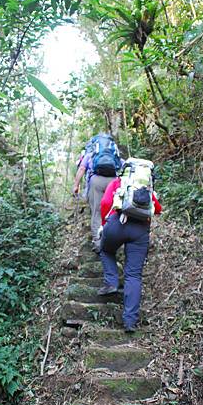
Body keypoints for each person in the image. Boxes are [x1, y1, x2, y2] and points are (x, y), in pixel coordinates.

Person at [98, 174, 162, 332]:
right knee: (133, 275)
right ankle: (130, 322)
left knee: (106, 250)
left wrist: (104, 224)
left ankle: (111, 282)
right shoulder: (148, 188)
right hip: (140, 231)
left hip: (118, 222)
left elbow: (105, 202)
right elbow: (158, 209)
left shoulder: (118, 182)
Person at [72, 132, 121, 253]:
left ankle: (99, 244)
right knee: (114, 211)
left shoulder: (91, 154)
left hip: (96, 181)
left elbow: (82, 168)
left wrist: (76, 185)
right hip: (114, 181)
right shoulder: (114, 153)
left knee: (97, 212)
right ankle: (115, 242)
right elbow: (123, 166)